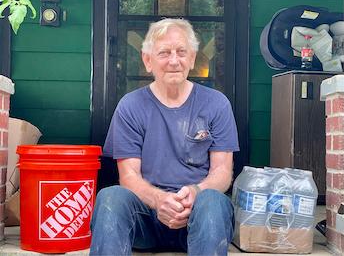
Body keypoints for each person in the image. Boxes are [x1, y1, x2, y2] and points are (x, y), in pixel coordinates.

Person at [89, 18, 239, 255]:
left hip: (198, 214)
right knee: (111, 197)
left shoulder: (216, 104)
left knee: (213, 201)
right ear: (147, 60)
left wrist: (196, 193)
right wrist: (159, 200)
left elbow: (222, 172)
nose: (174, 61)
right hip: (146, 214)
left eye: (181, 52)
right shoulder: (130, 106)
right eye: (164, 53)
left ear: (192, 58)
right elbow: (128, 176)